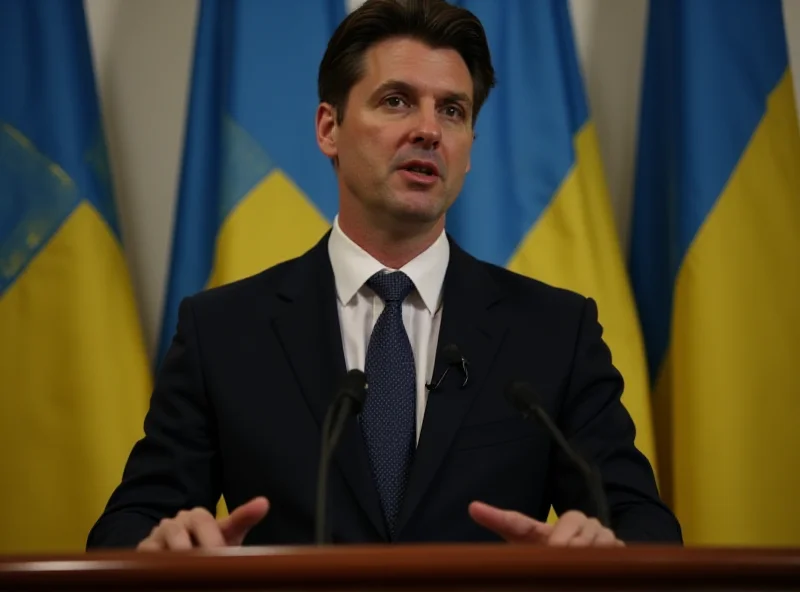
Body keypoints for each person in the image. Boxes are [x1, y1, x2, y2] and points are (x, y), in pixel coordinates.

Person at [87, 0, 682, 551]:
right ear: (329, 129)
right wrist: (160, 545)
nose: (429, 129)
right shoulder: (224, 330)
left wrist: (602, 550)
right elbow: (126, 525)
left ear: (469, 146)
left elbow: (646, 525)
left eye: (453, 110)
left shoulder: (554, 330)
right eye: (396, 100)